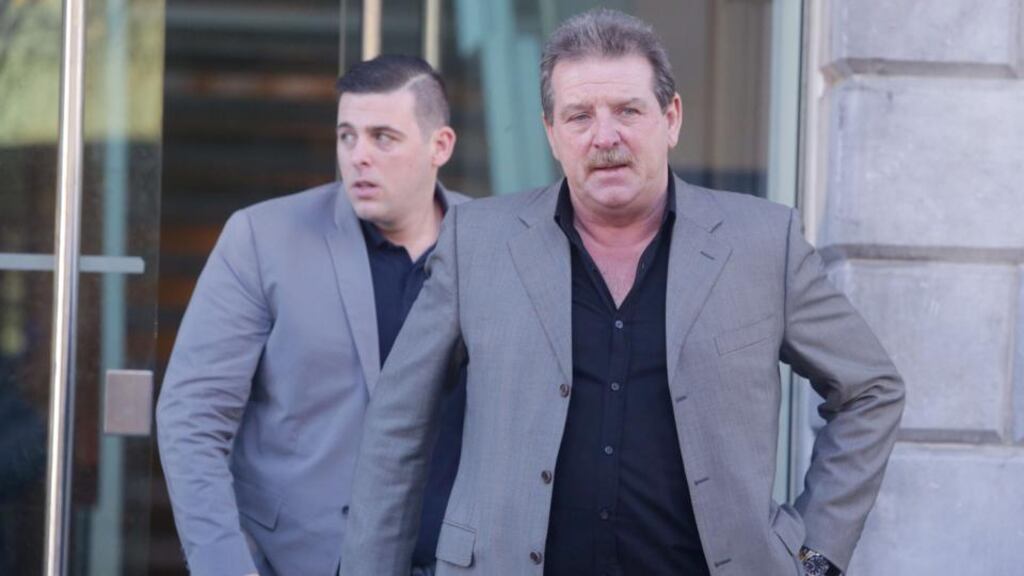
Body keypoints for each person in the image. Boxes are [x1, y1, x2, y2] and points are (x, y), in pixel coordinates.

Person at [339, 9, 905, 576]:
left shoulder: (762, 243)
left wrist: (815, 554)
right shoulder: (476, 244)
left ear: (671, 117)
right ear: (551, 134)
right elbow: (398, 427)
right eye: (579, 116)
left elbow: (870, 389)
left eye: (628, 111)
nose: (605, 136)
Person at [157, 54, 468, 576]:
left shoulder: (495, 242)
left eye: (382, 138)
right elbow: (192, 416)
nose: (358, 157)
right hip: (304, 559)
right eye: (347, 136)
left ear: (440, 146)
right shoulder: (262, 237)